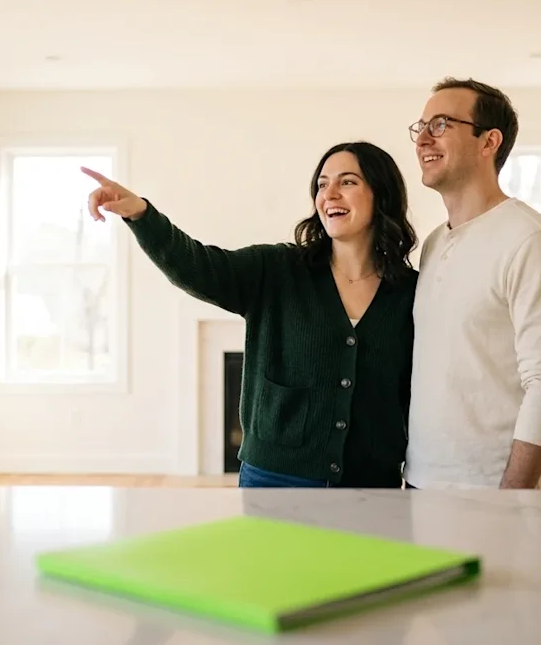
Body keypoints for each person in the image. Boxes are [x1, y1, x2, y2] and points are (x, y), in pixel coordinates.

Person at [82, 141, 419, 488]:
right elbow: (198, 266)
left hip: (371, 484)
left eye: (347, 182)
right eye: (321, 184)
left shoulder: (411, 292)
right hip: (275, 480)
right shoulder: (277, 270)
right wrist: (141, 215)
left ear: (381, 194)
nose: (329, 193)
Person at [403, 77, 541, 490]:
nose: (424, 139)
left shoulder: (532, 241)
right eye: (422, 126)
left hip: (499, 494)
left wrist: (512, 500)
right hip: (423, 485)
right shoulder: (433, 243)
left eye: (442, 124)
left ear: (489, 142)